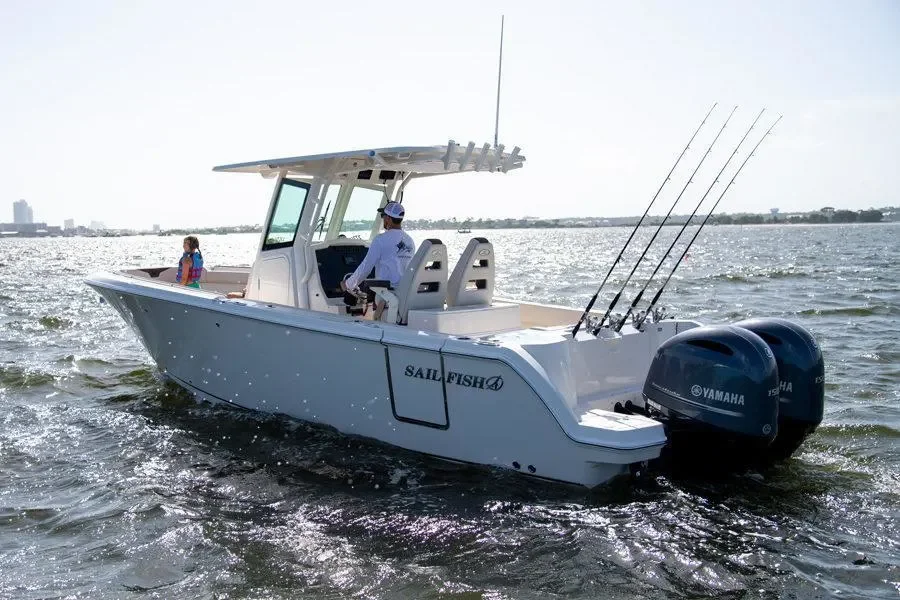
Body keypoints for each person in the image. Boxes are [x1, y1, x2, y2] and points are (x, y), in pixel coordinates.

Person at [341, 201, 415, 294]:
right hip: (405, 293)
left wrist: (348, 284)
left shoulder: (380, 240)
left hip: (386, 295)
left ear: (388, 218)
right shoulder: (410, 241)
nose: (383, 219)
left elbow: (366, 267)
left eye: (383, 216)